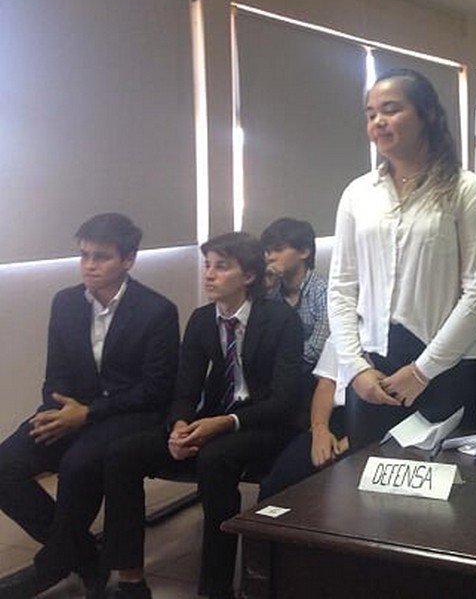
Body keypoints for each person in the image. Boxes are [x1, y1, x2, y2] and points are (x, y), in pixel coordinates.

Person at [259, 68, 476, 500]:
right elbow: (342, 288)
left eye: (391, 110)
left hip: (450, 367)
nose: (378, 122)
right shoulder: (358, 194)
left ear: (427, 114)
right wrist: (355, 368)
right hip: (374, 374)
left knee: (450, 503)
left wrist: (423, 371)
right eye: (371, 114)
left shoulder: (467, 191)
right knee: (370, 501)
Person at [101, 232, 302, 599]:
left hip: (262, 421)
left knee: (215, 458)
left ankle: (216, 587)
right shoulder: (202, 319)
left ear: (249, 276)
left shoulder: (280, 319)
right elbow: (184, 389)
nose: (209, 275)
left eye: (221, 267)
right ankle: (130, 577)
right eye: (207, 265)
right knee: (121, 454)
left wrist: (224, 423)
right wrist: (179, 425)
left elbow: (285, 401)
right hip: (212, 417)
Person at [0, 214, 179, 599]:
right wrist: (55, 412)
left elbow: (155, 389)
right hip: (73, 409)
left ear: (128, 260)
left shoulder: (156, 311)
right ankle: (82, 556)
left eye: (101, 257)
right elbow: (56, 373)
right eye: (84, 255)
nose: (89, 265)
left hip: (129, 414)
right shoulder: (66, 302)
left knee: (77, 464)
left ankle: (50, 566)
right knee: (5, 464)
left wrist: (90, 414)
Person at [261, 217, 329, 413]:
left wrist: (279, 360)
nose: (270, 257)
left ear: (304, 252)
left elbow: (315, 351)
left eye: (278, 249)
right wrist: (264, 290)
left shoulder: (323, 292)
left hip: (312, 381)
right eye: (268, 251)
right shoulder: (271, 292)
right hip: (273, 379)